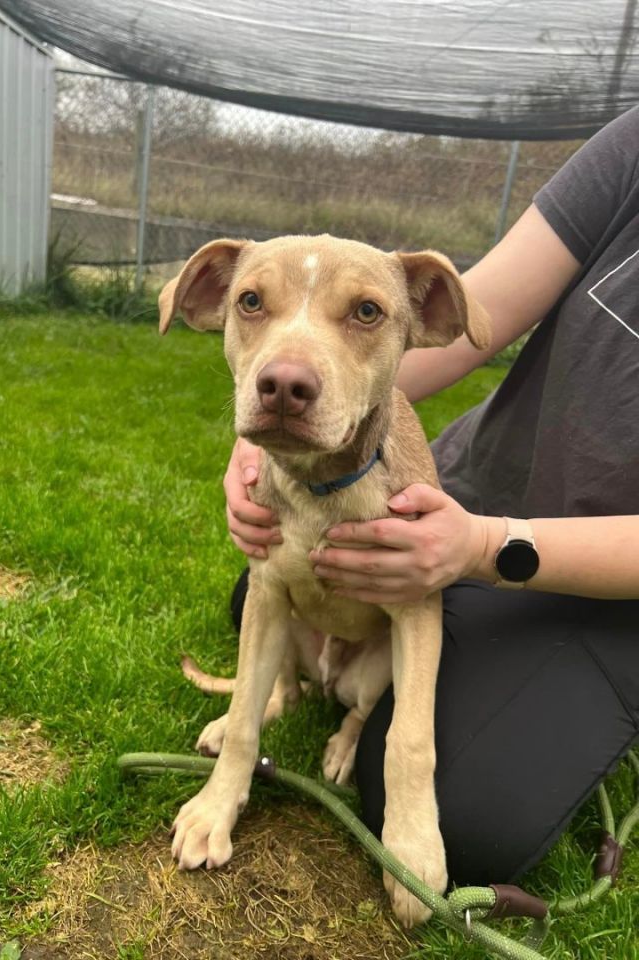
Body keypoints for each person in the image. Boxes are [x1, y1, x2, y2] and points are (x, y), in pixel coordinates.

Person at [223, 106, 639, 886]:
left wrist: (483, 549)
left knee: (472, 814)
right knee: (260, 581)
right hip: (465, 493)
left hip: (611, 590)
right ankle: (303, 691)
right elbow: (476, 307)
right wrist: (265, 432)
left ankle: (363, 715)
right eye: (251, 305)